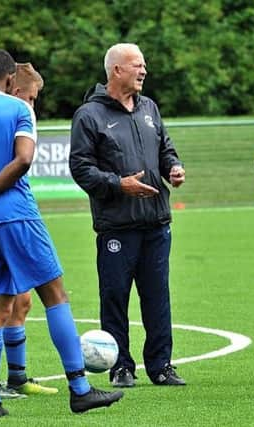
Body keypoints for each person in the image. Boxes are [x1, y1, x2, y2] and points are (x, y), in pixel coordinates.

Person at [0, 49, 123, 417]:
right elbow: (23, 159)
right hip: (17, 214)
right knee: (55, 295)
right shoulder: (19, 109)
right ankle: (79, 388)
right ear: (9, 80)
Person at [69, 43, 186, 388]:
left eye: (144, 64)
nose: (144, 70)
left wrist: (173, 167)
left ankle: (161, 366)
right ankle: (121, 366)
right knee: (115, 297)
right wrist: (118, 185)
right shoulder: (89, 115)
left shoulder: (149, 107)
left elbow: (165, 146)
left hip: (156, 222)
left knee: (157, 297)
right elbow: (80, 167)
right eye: (137, 65)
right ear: (116, 70)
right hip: (117, 226)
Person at [0, 63, 58, 399]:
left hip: (1, 212)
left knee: (20, 300)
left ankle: (16, 378)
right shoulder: (13, 115)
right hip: (3, 215)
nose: (33, 105)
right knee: (2, 302)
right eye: (32, 97)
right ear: (17, 91)